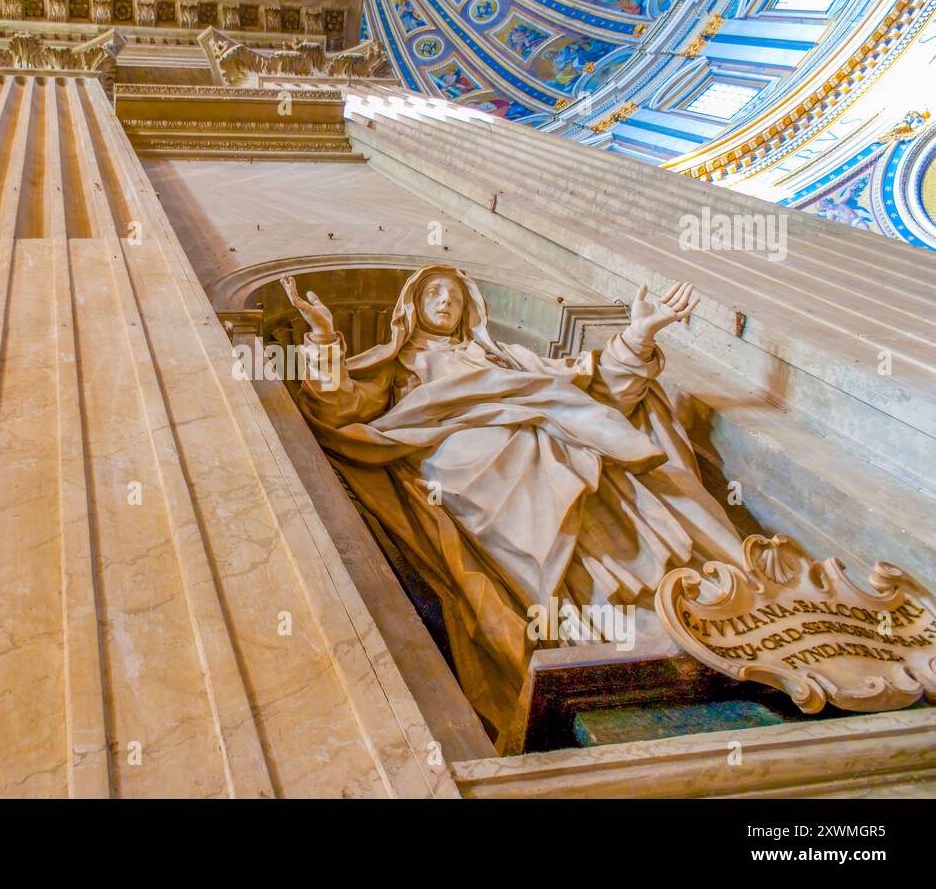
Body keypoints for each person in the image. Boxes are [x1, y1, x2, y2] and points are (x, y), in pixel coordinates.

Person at [282, 264, 744, 738]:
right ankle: (571, 632)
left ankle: (637, 619)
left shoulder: (506, 359)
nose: (445, 301)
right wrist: (322, 337)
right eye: (433, 294)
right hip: (465, 462)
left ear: (469, 311)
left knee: (588, 503)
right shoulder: (399, 366)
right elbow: (336, 410)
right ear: (411, 308)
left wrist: (638, 336)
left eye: (455, 296)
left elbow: (598, 390)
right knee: (524, 530)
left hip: (548, 443)